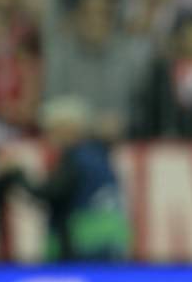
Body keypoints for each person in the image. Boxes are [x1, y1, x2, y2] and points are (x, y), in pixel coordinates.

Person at [14, 95, 130, 261]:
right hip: (112, 241)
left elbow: (52, 192)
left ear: (68, 129)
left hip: (83, 244)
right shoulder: (99, 155)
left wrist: (18, 176)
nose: (48, 137)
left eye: (51, 130)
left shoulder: (75, 158)